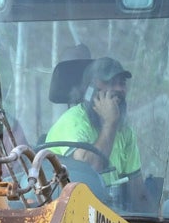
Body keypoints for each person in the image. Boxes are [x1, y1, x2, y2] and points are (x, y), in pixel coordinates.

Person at [45, 56, 142, 191]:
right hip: (68, 208)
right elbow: (88, 173)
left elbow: (136, 190)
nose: (119, 88)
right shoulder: (73, 121)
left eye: (122, 83)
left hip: (110, 209)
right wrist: (109, 123)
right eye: (110, 82)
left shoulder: (124, 131)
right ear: (90, 89)